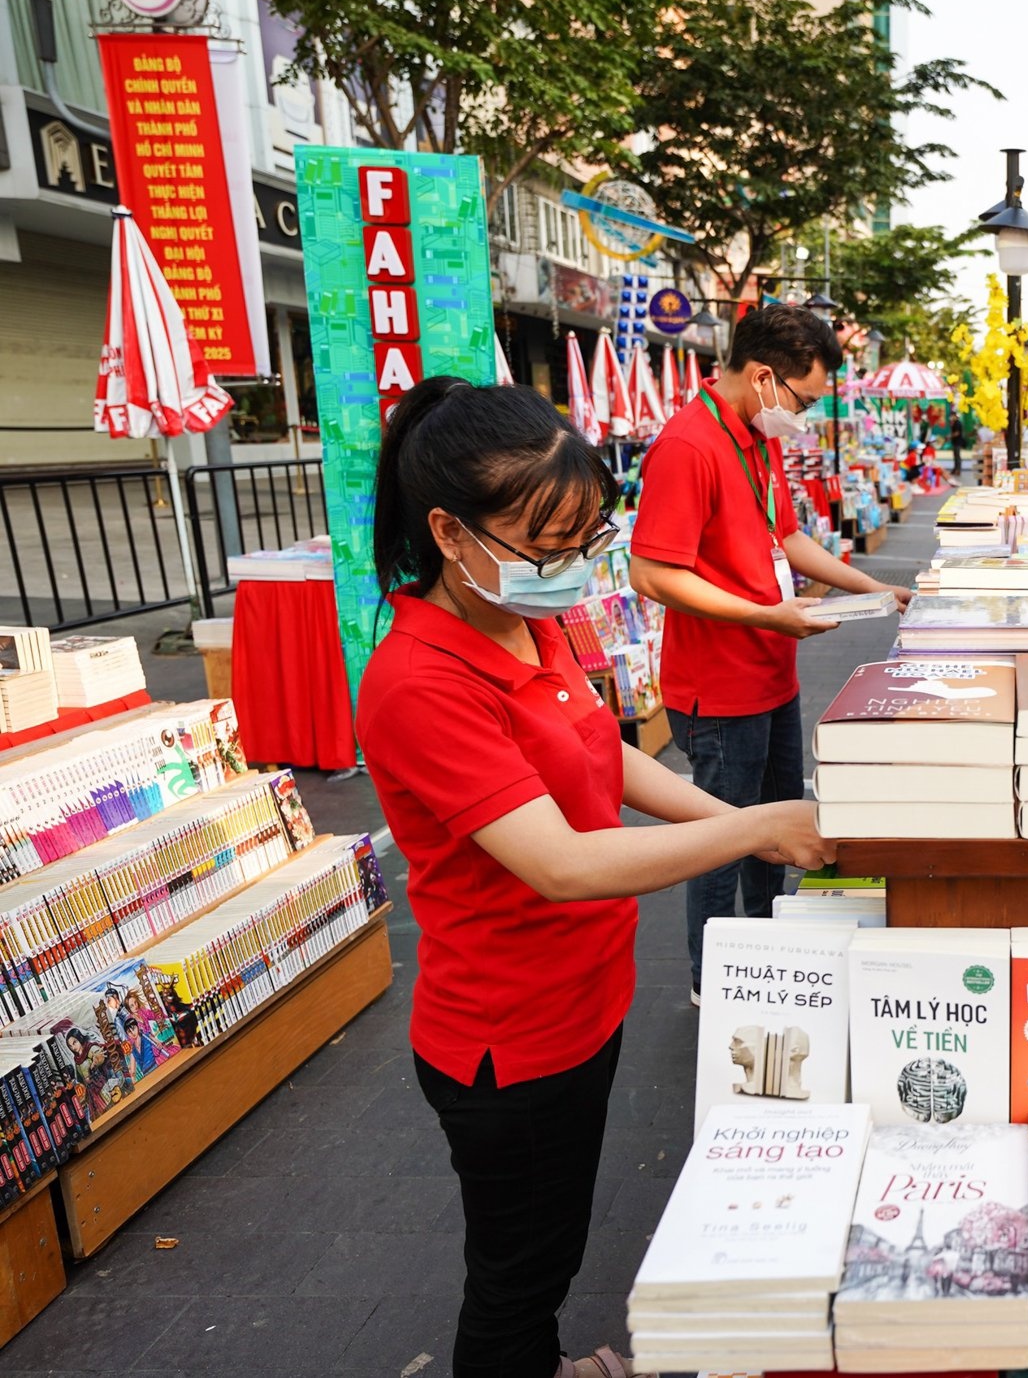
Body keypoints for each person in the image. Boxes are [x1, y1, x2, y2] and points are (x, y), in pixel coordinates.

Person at [357, 378, 835, 1378]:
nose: (570, 570)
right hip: (509, 1034)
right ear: (449, 532)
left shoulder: (530, 622)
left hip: (583, 999)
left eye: (585, 543)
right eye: (546, 545)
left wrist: (754, 833)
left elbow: (607, 758)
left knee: (547, 1248)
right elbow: (562, 863)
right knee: (519, 1274)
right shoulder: (419, 681)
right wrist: (755, 823)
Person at [628, 305, 912, 1004]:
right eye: (805, 399)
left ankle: (769, 943)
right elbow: (652, 574)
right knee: (721, 838)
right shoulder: (689, 446)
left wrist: (874, 587)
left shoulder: (758, 437)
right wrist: (766, 614)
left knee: (778, 823)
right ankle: (716, 979)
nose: (805, 417)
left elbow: (787, 538)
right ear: (763, 378)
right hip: (719, 686)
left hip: (771, 669)